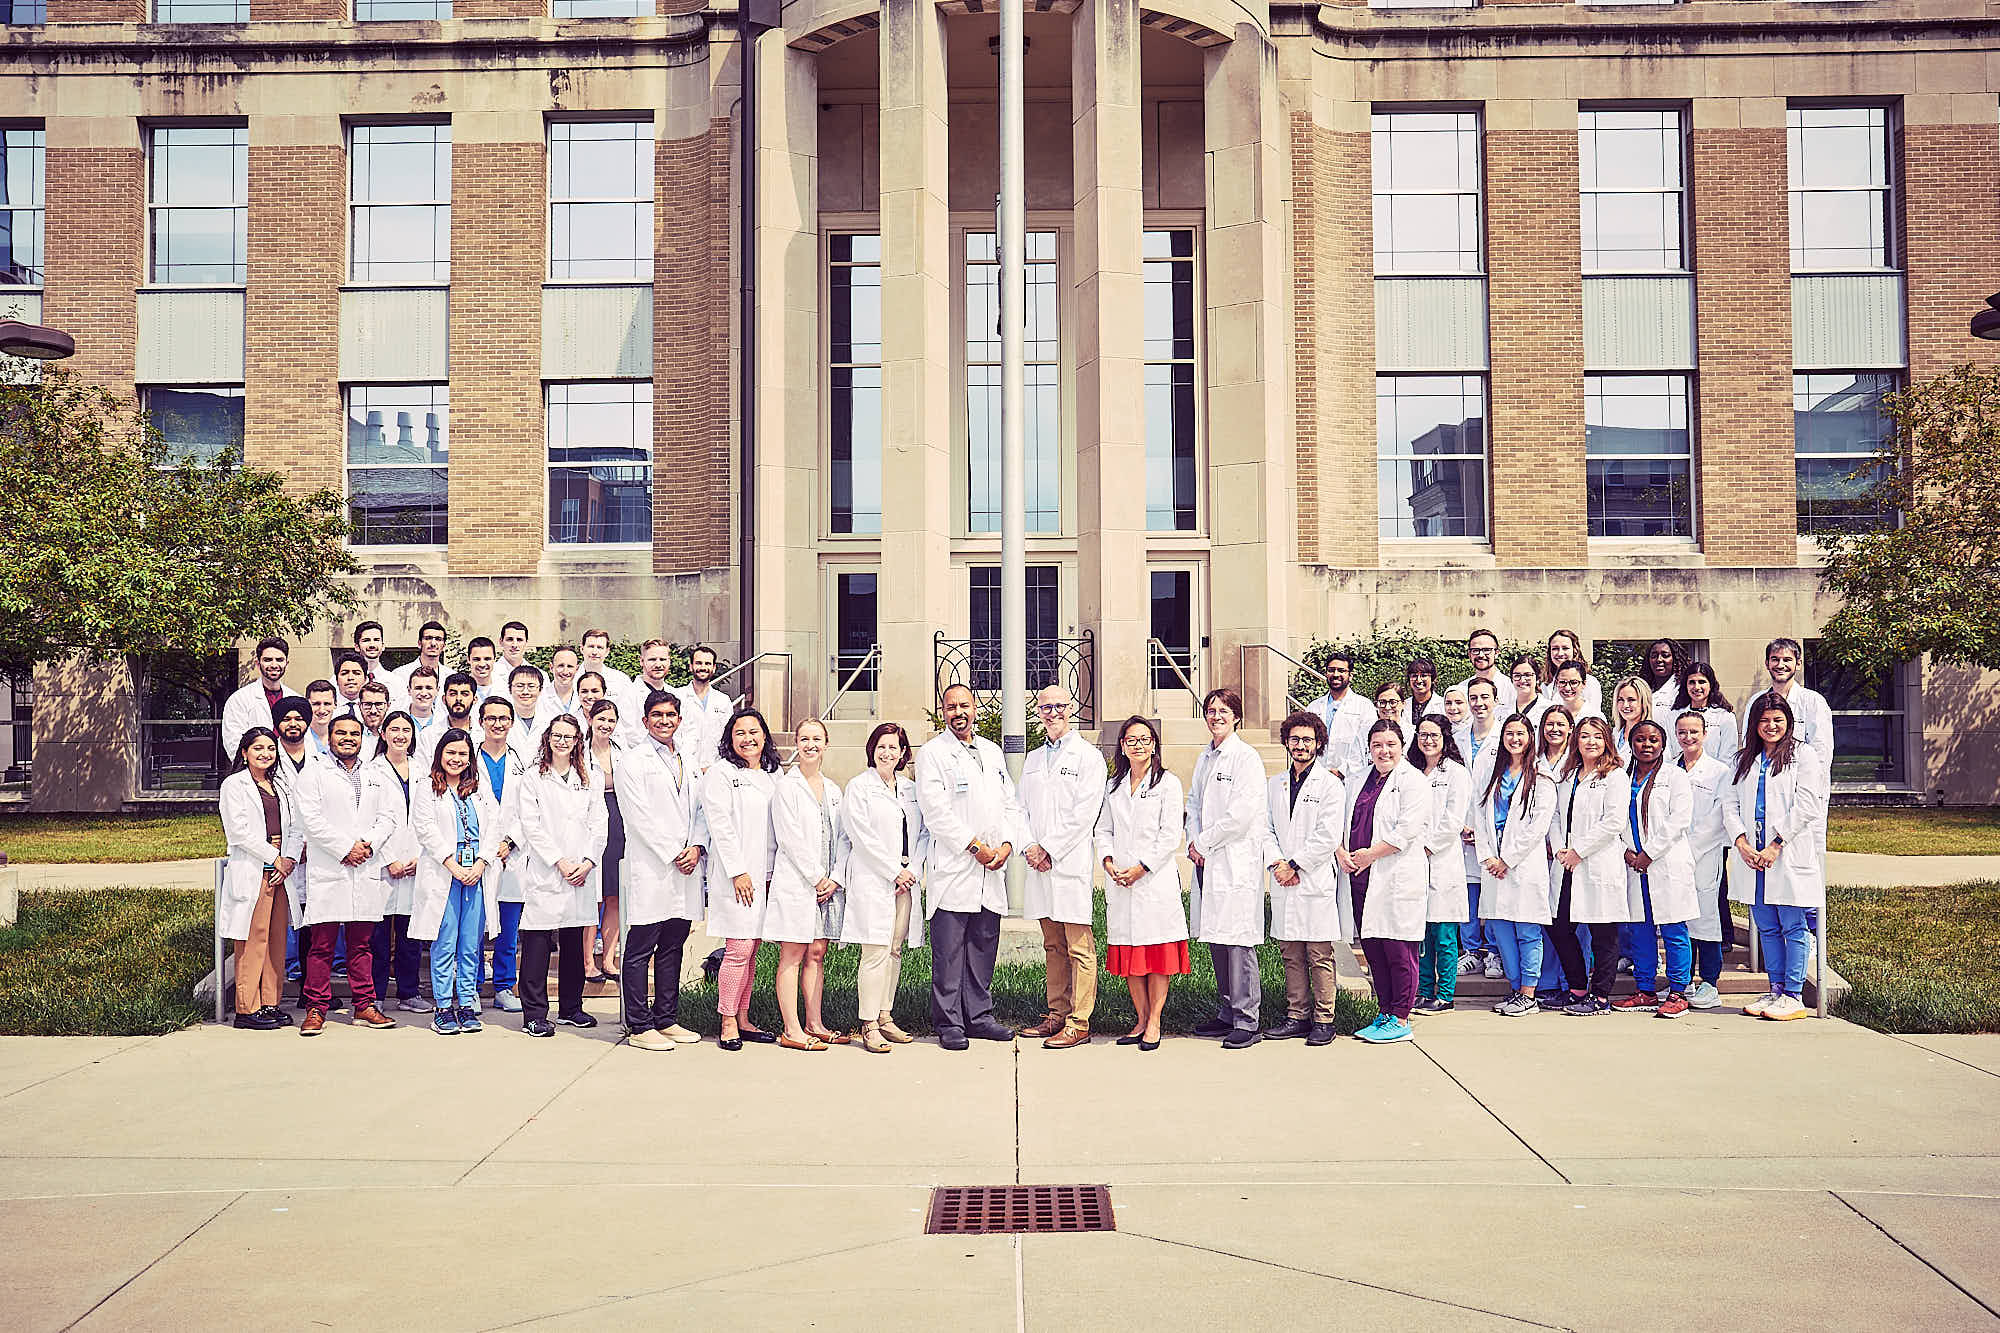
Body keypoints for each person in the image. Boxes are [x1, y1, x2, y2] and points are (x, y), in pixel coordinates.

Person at [915, 683, 1024, 1051]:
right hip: (956, 865)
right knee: (949, 951)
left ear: (975, 708)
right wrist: (976, 848)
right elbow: (935, 812)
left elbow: (1009, 803)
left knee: (982, 946)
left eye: (964, 705)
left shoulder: (991, 752)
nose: (958, 712)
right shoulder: (933, 754)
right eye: (951, 707)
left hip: (991, 868)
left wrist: (1006, 845)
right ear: (943, 712)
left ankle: (979, 1017)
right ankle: (949, 1023)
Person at [1726, 691, 1828, 1022]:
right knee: (1767, 927)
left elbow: (1807, 805)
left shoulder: (1803, 755)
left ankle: (1793, 995)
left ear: (1789, 722)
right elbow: (1729, 803)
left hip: (1784, 854)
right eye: (1764, 720)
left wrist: (1776, 844)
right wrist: (1742, 842)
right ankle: (1776, 990)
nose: (1771, 726)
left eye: (1778, 720)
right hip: (1752, 856)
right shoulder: (1743, 759)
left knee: (1793, 925)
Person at [294, 714, 399, 1035]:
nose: (348, 738)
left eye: (355, 733)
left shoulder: (375, 774)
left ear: (362, 738)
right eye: (341, 732)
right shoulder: (314, 772)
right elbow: (310, 819)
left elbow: (388, 817)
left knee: (361, 945)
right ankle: (316, 1008)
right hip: (330, 867)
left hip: (364, 866)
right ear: (330, 737)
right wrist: (344, 848)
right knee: (321, 946)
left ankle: (364, 1006)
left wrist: (368, 845)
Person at [1017, 684, 1108, 1049]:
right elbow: (1019, 809)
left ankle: (1079, 1021)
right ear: (1038, 712)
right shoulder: (1033, 759)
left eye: (1058, 706)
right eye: (1045, 707)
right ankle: (1056, 1013)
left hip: (1067, 863)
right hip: (1039, 865)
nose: (1052, 713)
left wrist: (1048, 849)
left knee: (1078, 946)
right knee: (1052, 945)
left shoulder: (1088, 757)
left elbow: (1084, 814)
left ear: (1070, 709)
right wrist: (1029, 846)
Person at [616, 689, 707, 1051]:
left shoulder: (686, 756)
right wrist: (674, 853)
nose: (664, 721)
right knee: (641, 947)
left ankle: (666, 1019)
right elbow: (637, 816)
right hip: (653, 866)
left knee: (673, 945)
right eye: (657, 715)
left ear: (679, 720)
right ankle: (639, 1025)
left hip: (686, 865)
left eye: (670, 715)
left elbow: (701, 808)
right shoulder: (632, 761)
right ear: (645, 720)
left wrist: (696, 846)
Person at [1339, 720, 1434, 1045]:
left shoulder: (1413, 781)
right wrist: (1342, 852)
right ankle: (1384, 1013)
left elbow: (1406, 831)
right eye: (1377, 745)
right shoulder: (1358, 779)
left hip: (1396, 877)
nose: (1384, 751)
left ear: (1402, 747)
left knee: (1399, 949)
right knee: (1374, 949)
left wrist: (1369, 855)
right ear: (1369, 748)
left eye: (1391, 744)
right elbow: (1342, 822)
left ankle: (1401, 1017)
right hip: (1361, 878)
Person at [1096, 716, 1187, 1051]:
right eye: (1131, 740)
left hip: (1153, 881)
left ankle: (1155, 1022)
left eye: (1145, 739)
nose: (1138, 745)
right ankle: (1140, 1018)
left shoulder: (1168, 784)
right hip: (1121, 881)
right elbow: (1103, 829)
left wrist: (1141, 868)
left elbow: (1170, 835)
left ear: (1154, 745)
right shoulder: (1113, 786)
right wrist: (1108, 861)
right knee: (1131, 952)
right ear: (1122, 746)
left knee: (1156, 952)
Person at [514, 714, 607, 1037]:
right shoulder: (533, 777)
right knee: (538, 943)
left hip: (581, 871)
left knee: (573, 943)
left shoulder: (590, 776)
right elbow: (531, 825)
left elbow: (600, 822)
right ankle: (534, 1014)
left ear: (578, 740)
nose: (562, 741)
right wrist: (559, 861)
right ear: (548, 738)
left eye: (569, 736)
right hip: (548, 871)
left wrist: (588, 861)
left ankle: (570, 1008)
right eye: (557, 735)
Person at [1186, 687, 1269, 1049]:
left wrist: (1203, 843)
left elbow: (1240, 816)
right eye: (1211, 710)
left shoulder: (1245, 758)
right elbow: (1193, 803)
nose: (1216, 716)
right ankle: (1226, 1012)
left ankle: (1247, 1019)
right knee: (1216, 938)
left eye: (1223, 710)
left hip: (1234, 861)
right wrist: (1193, 841)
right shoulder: (1205, 757)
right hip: (1207, 859)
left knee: (1238, 941)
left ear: (1236, 716)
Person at [841, 722, 928, 1053]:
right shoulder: (859, 787)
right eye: (881, 746)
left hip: (906, 881)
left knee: (894, 949)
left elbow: (924, 833)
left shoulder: (910, 789)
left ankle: (885, 1015)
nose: (887, 753)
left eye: (894, 747)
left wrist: (912, 869)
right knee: (875, 951)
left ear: (903, 752)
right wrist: (894, 872)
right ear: (872, 750)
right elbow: (860, 836)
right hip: (875, 879)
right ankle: (869, 1024)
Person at [700, 706, 783, 1051]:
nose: (747, 739)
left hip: (769, 873)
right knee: (739, 948)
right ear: (729, 739)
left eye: (753, 732)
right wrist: (738, 871)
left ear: (764, 736)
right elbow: (719, 825)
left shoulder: (774, 773)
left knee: (753, 949)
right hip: (739, 875)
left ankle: (744, 1017)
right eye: (740, 733)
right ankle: (727, 1020)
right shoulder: (721, 773)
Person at [1262, 710, 1347, 1045]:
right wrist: (1277, 863)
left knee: (1319, 954)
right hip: (1284, 878)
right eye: (1295, 739)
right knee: (1291, 953)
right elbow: (1266, 829)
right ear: (1286, 742)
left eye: (1307, 740)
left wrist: (1295, 865)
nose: (1300, 745)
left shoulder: (1330, 785)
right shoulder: (1275, 784)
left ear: (1319, 743)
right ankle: (1296, 1016)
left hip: (1312, 879)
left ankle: (1324, 1020)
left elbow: (1328, 835)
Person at [410, 729, 500, 1035]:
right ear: (440, 755)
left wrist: (481, 862)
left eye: (463, 753)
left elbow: (495, 826)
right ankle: (443, 1007)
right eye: (451, 752)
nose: (456, 759)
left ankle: (466, 1004)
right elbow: (425, 828)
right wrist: (452, 865)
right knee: (445, 941)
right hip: (444, 872)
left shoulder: (478, 788)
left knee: (470, 943)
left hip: (476, 872)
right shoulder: (427, 787)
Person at [769, 717, 850, 1050]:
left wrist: (835, 878)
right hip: (800, 883)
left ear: (826, 744)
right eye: (804, 739)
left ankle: (814, 1024)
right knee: (793, 953)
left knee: (817, 953)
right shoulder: (786, 787)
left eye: (817, 739)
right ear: (796, 743)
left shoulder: (834, 790)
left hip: (827, 886)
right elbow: (790, 839)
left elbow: (844, 838)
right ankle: (792, 1029)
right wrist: (817, 878)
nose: (811, 745)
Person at [1548, 717, 1634, 1016]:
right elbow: (1556, 815)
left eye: (1597, 736)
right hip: (1567, 864)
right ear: (1576, 740)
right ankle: (1577, 989)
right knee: (1559, 927)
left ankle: (1600, 996)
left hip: (1597, 862)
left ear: (1606, 740)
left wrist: (1579, 851)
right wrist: (1561, 849)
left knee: (1603, 932)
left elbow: (1614, 822)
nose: (1591, 742)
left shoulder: (1615, 776)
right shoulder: (1567, 774)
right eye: (1585, 736)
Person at [1473, 714, 1557, 1017]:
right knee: (1502, 933)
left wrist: (1506, 860)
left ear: (1530, 737)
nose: (1514, 739)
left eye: (1520, 733)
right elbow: (1479, 816)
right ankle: (1515, 988)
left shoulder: (1541, 777)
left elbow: (1538, 827)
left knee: (1527, 931)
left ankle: (1529, 994)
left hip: (1522, 865)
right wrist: (1488, 857)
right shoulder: (1492, 775)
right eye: (1509, 733)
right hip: (1494, 866)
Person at [218, 726, 302, 1029]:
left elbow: (297, 826)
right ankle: (247, 1008)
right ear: (244, 753)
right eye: (258, 748)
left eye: (270, 748)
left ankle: (270, 1003)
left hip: (280, 872)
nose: (265, 753)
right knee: (254, 939)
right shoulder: (234, 785)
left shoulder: (280, 784)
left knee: (276, 940)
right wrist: (274, 857)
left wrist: (288, 860)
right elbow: (239, 832)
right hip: (256, 868)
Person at [1617, 720, 1700, 1017]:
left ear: (1663, 744)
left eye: (1653, 739)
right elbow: (1614, 818)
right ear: (1631, 744)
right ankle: (1645, 990)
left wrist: (1649, 853)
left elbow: (1679, 819)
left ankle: (1678, 992)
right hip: (1633, 865)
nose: (1647, 745)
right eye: (1640, 739)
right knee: (1640, 931)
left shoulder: (1675, 776)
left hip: (1666, 863)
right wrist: (1626, 851)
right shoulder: (1621, 777)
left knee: (1674, 929)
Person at [368, 711, 428, 1013]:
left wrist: (421, 857)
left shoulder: (423, 770)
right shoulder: (371, 771)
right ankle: (376, 995)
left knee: (410, 934)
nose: (400, 735)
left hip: (416, 861)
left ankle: (409, 993)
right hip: (383, 864)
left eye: (406, 730)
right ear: (383, 734)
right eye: (394, 729)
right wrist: (389, 859)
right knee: (378, 937)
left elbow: (429, 817)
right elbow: (369, 819)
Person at [1412, 715, 1472, 1015]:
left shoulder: (1456, 773)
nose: (1428, 740)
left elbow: (1453, 820)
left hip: (1442, 860)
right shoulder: (1411, 771)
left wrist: (1426, 847)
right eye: (1422, 735)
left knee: (1445, 935)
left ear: (1445, 737)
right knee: (1421, 934)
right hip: (1413, 862)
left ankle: (1445, 995)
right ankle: (1424, 991)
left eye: (1434, 735)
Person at [1676, 710, 1732, 1009]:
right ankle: (1683, 980)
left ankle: (1709, 982)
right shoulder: (1670, 769)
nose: (1688, 737)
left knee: (1706, 919)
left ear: (1705, 734)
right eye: (1682, 732)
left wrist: (1690, 849)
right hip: (1673, 856)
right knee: (1680, 919)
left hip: (1705, 855)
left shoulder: (1719, 772)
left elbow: (1718, 818)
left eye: (1694, 732)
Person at [474, 697, 527, 1014]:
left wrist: (510, 841)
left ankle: (505, 986)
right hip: (478, 852)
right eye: (491, 718)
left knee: (508, 928)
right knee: (475, 925)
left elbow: (530, 808)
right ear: (481, 721)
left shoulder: (522, 762)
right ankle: (473, 986)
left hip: (512, 855)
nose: (497, 724)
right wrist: (487, 846)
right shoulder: (469, 759)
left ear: (511, 722)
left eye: (503, 718)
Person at [1456, 677, 1503, 980]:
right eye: (1473, 697)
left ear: (1496, 700)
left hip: (1492, 825)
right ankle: (1472, 952)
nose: (1479, 703)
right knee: (1468, 891)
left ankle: (1495, 953)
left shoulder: (1504, 736)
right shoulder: (1457, 737)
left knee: (1493, 892)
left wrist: (1485, 828)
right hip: (1462, 825)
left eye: (1485, 697)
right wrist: (1461, 824)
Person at [581, 698, 623, 984]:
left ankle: (608, 958)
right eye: (601, 719)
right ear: (590, 720)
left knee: (614, 895)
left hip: (619, 823)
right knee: (593, 896)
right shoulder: (579, 753)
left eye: (611, 720)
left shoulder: (623, 753)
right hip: (590, 825)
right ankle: (587, 961)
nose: (606, 725)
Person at [221, 637, 293, 763]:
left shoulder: (295, 698)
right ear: (258, 664)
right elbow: (233, 743)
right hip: (254, 768)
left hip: (289, 768)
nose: (274, 665)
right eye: (268, 660)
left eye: (279, 660)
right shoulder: (239, 699)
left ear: (286, 663)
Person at [1305, 650, 1372, 777]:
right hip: (1317, 774)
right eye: (1331, 670)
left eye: (1341, 671)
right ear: (1326, 673)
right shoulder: (1313, 707)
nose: (1335, 674)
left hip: (1351, 775)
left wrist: (1341, 771)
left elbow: (1367, 744)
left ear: (1350, 675)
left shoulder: (1364, 706)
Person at [674, 644, 735, 775]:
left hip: (715, 767)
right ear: (690, 666)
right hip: (684, 767)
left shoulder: (723, 700)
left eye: (707, 663)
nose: (703, 667)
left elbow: (729, 737)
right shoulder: (677, 696)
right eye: (698, 663)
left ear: (713, 668)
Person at [1672, 661, 1739, 775]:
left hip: (1714, 778)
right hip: (1679, 774)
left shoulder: (1725, 717)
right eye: (1692, 682)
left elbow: (1728, 755)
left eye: (1702, 682)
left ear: (1711, 685)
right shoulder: (1674, 715)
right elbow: (1669, 751)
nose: (1696, 687)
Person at [619, 639, 676, 749]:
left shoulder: (677, 694)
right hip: (642, 755)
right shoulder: (628, 694)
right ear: (641, 661)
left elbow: (684, 732)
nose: (658, 664)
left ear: (669, 661)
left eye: (662, 659)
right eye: (652, 659)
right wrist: (659, 751)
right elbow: (629, 734)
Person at [1540, 630, 1603, 720]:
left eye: (1565, 648)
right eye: (1555, 648)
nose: (1560, 653)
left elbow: (1594, 717)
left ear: (1575, 650)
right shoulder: (1546, 684)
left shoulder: (1590, 682)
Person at [388, 621, 449, 699]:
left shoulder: (450, 675)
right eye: (428, 638)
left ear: (444, 646)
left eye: (438, 639)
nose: (433, 643)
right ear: (419, 643)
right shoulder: (400, 675)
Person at [1399, 655, 1450, 739]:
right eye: (1414, 676)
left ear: (1433, 679)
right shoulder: (1403, 705)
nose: (1418, 680)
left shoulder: (1443, 705)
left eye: (1423, 675)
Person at [1641, 638, 1688, 725]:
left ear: (1675, 659)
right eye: (1654, 656)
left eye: (1665, 655)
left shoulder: (1683, 690)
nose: (1659, 659)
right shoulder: (1642, 688)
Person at [506, 665, 548, 760]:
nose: (525, 691)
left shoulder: (549, 721)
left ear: (540, 689)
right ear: (510, 689)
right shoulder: (501, 721)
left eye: (531, 686)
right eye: (520, 686)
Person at [580, 628, 633, 699]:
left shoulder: (621, 680)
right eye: (591, 646)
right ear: (582, 649)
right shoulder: (570, 679)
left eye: (600, 647)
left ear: (607, 651)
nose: (594, 652)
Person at [1610, 676, 1652, 765]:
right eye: (1621, 700)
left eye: (1631, 700)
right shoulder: (1614, 734)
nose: (1625, 705)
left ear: (1643, 702)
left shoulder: (1654, 736)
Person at [1453, 627, 1504, 699]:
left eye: (1486, 650)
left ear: (1496, 653)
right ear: (1469, 654)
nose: (1481, 655)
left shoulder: (1510, 687)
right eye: (1475, 650)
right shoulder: (1462, 688)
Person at [272, 695, 317, 777]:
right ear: (277, 724)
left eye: (298, 719)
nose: (293, 724)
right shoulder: (269, 754)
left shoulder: (318, 754)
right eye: (286, 719)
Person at [1505, 655, 1549, 732]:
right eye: (1517, 676)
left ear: (1537, 678)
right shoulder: (1502, 710)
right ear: (1512, 679)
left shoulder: (1548, 709)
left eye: (1528, 675)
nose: (1522, 680)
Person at [545, 646, 584, 721]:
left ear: (577, 669)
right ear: (551, 668)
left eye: (570, 666)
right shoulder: (540, 697)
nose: (565, 671)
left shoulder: (584, 697)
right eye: (561, 666)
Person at [303, 680, 339, 760]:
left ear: (335, 704)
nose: (322, 710)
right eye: (316, 704)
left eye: (327, 704)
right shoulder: (299, 738)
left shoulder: (343, 736)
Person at [356, 680, 391, 755]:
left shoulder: (395, 734)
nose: (373, 711)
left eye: (379, 704)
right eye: (367, 704)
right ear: (359, 706)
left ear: (388, 706)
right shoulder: (351, 734)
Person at [465, 636, 501, 701]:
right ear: (468, 659)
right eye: (476, 659)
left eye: (487, 659)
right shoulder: (459, 689)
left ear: (495, 659)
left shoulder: (506, 688)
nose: (482, 664)